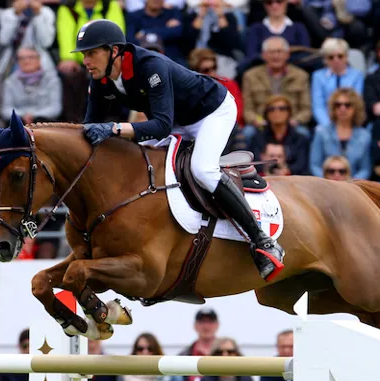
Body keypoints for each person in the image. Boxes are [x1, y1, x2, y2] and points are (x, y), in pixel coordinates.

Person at [74, 19, 284, 281]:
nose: (86, 61)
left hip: (212, 112)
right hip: (176, 121)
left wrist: (114, 129)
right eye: (84, 55)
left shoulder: (150, 66)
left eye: (92, 53)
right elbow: (89, 127)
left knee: (203, 170)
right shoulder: (100, 78)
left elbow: (161, 126)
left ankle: (263, 241)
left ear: (114, 51)